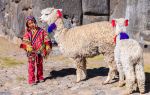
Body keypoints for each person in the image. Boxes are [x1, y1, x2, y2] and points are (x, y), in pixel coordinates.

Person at [20, 16, 52, 86]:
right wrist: (27, 46)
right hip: (31, 52)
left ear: (35, 22)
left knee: (40, 64)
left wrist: (47, 45)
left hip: (40, 50)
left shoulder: (41, 31)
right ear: (27, 25)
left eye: (32, 22)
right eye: (29, 23)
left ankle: (40, 77)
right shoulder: (27, 33)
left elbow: (46, 37)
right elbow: (25, 41)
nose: (31, 24)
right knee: (31, 66)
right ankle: (31, 80)